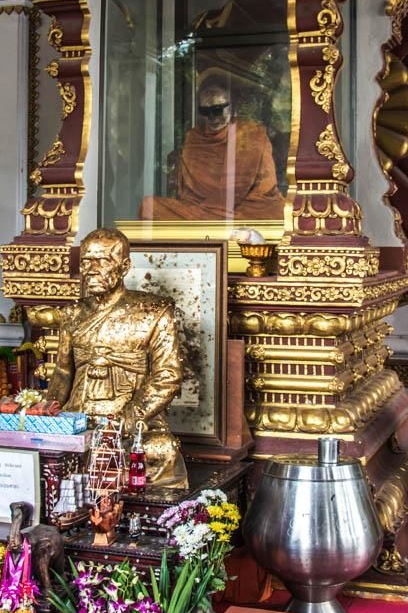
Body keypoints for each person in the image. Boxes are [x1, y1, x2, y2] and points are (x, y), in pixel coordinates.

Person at [48, 227, 188, 489]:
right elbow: (63, 373)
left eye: (101, 261)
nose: (90, 269)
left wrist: (129, 418)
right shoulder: (72, 314)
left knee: (162, 450)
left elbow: (167, 375)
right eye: (86, 261)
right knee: (48, 449)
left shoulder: (153, 311)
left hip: (129, 422)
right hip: (79, 418)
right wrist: (47, 413)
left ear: (124, 266)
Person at [139, 79, 285, 221]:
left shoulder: (249, 133)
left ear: (232, 107)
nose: (212, 117)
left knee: (274, 212)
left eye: (217, 110)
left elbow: (238, 186)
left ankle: (209, 224)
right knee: (149, 206)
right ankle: (209, 223)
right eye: (205, 111)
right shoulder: (194, 138)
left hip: (246, 207)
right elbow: (188, 194)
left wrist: (210, 212)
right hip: (201, 211)